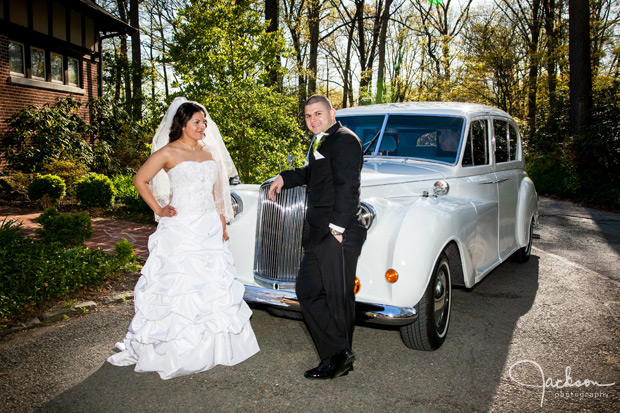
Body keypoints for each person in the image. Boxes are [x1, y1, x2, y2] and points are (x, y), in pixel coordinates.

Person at [107, 97, 259, 380]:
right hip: (181, 228)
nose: (203, 126)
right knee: (179, 287)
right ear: (183, 124)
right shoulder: (168, 153)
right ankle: (174, 347)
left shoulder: (210, 152)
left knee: (213, 286)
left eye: (204, 121)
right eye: (197, 122)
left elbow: (217, 194)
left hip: (209, 227)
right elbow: (140, 180)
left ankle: (214, 346)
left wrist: (222, 223)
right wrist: (160, 209)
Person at [268, 95, 367, 380]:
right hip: (319, 230)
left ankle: (337, 360)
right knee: (309, 290)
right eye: (308, 116)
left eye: (318, 114)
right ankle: (339, 353)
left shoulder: (345, 139)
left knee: (337, 297)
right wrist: (286, 177)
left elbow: (349, 187)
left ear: (332, 112)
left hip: (337, 231)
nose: (313, 120)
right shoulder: (323, 140)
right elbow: (316, 174)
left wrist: (337, 229)